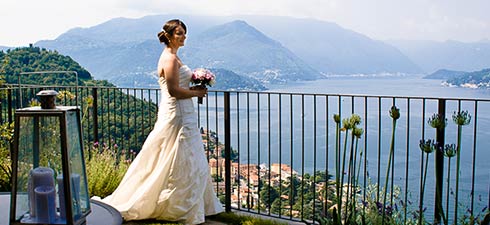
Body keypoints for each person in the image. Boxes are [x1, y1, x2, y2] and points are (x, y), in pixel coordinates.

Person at [100, 19, 224, 224]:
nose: (184, 36)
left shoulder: (174, 57)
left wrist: (196, 88)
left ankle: (189, 203)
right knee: (178, 157)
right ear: (169, 36)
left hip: (184, 113)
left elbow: (178, 87)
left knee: (187, 158)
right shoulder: (169, 59)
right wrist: (196, 92)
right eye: (180, 33)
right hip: (178, 114)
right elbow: (174, 91)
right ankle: (177, 205)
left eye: (185, 33)